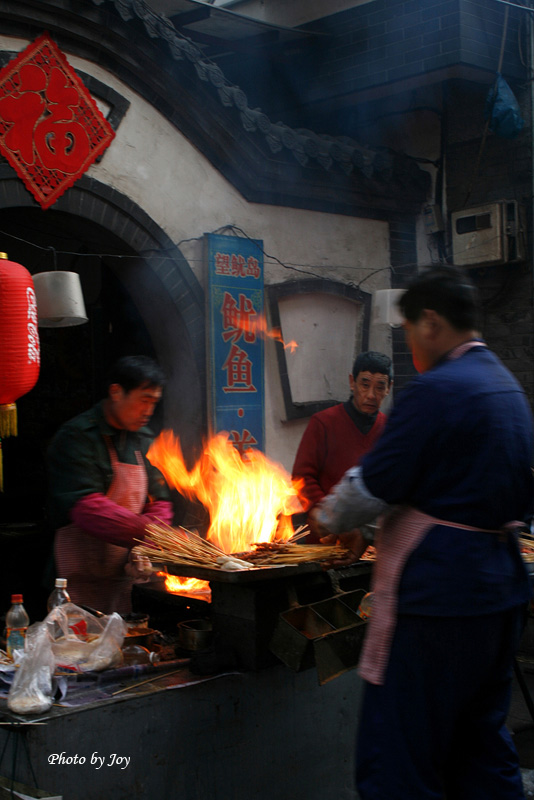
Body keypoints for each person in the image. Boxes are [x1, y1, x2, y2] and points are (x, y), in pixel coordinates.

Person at [316, 266, 533, 799]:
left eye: (410, 330)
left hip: (439, 599)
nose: (410, 345)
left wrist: (326, 519)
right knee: (479, 747)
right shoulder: (506, 385)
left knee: (401, 758)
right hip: (499, 590)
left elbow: (374, 484)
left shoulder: (436, 389)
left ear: (431, 322)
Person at [47, 355, 174, 615]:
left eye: (154, 402)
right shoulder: (77, 437)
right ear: (116, 392)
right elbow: (88, 509)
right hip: (76, 578)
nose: (148, 411)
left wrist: (142, 550)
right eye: (143, 400)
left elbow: (161, 501)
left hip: (124, 576)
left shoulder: (144, 440)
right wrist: (151, 535)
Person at [291, 350, 392, 541]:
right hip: (325, 541)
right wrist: (328, 518)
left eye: (380, 387)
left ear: (389, 388)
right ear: (352, 382)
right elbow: (302, 475)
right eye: (364, 384)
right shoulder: (323, 422)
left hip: (370, 543)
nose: (371, 395)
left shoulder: (389, 430)